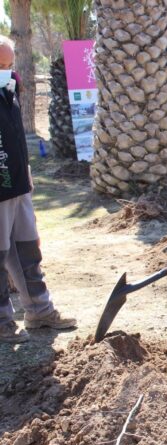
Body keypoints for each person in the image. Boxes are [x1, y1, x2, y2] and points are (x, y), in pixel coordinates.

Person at [0, 35, 76, 343]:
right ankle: (3, 322)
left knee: (28, 250)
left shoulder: (11, 88)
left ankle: (39, 311)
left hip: (19, 183)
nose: (6, 69)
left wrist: (26, 177)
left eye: (9, 64)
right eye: (0, 64)